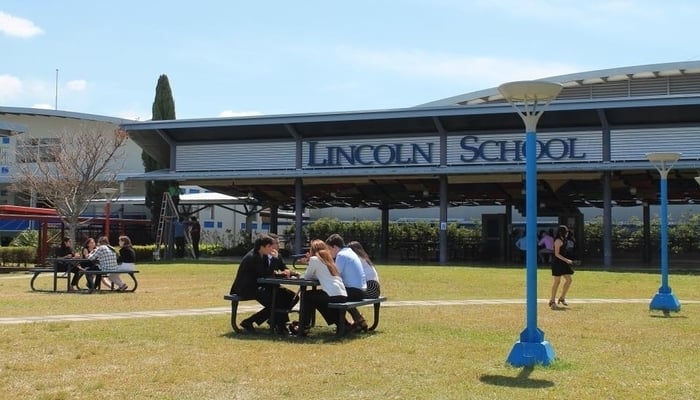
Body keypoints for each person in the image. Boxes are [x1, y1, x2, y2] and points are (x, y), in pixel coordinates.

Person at [230, 234, 298, 335]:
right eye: (269, 246)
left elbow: (269, 273)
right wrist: (274, 259)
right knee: (277, 301)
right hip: (246, 288)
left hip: (259, 286)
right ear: (262, 247)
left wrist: (287, 273)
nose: (272, 248)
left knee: (290, 296)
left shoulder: (262, 255)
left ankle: (274, 323)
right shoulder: (253, 257)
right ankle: (279, 325)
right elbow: (265, 274)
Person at [294, 239, 348, 337]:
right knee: (316, 299)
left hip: (331, 294)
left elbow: (307, 276)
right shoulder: (329, 259)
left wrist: (308, 262)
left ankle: (304, 326)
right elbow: (320, 274)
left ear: (312, 250)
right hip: (341, 293)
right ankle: (342, 324)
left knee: (306, 296)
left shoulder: (315, 259)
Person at [325, 233, 368, 331]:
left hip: (354, 291)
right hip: (361, 290)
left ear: (334, 247)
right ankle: (358, 320)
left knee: (327, 298)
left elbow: (335, 274)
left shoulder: (341, 255)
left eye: (329, 249)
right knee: (339, 294)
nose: (328, 252)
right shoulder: (349, 252)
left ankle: (343, 325)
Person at [549, 225, 575, 309]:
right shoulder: (558, 241)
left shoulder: (564, 240)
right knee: (557, 282)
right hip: (557, 263)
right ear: (562, 232)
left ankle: (562, 297)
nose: (567, 233)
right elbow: (556, 254)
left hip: (563, 262)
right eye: (566, 232)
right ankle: (552, 301)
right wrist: (567, 260)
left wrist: (566, 261)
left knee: (569, 280)